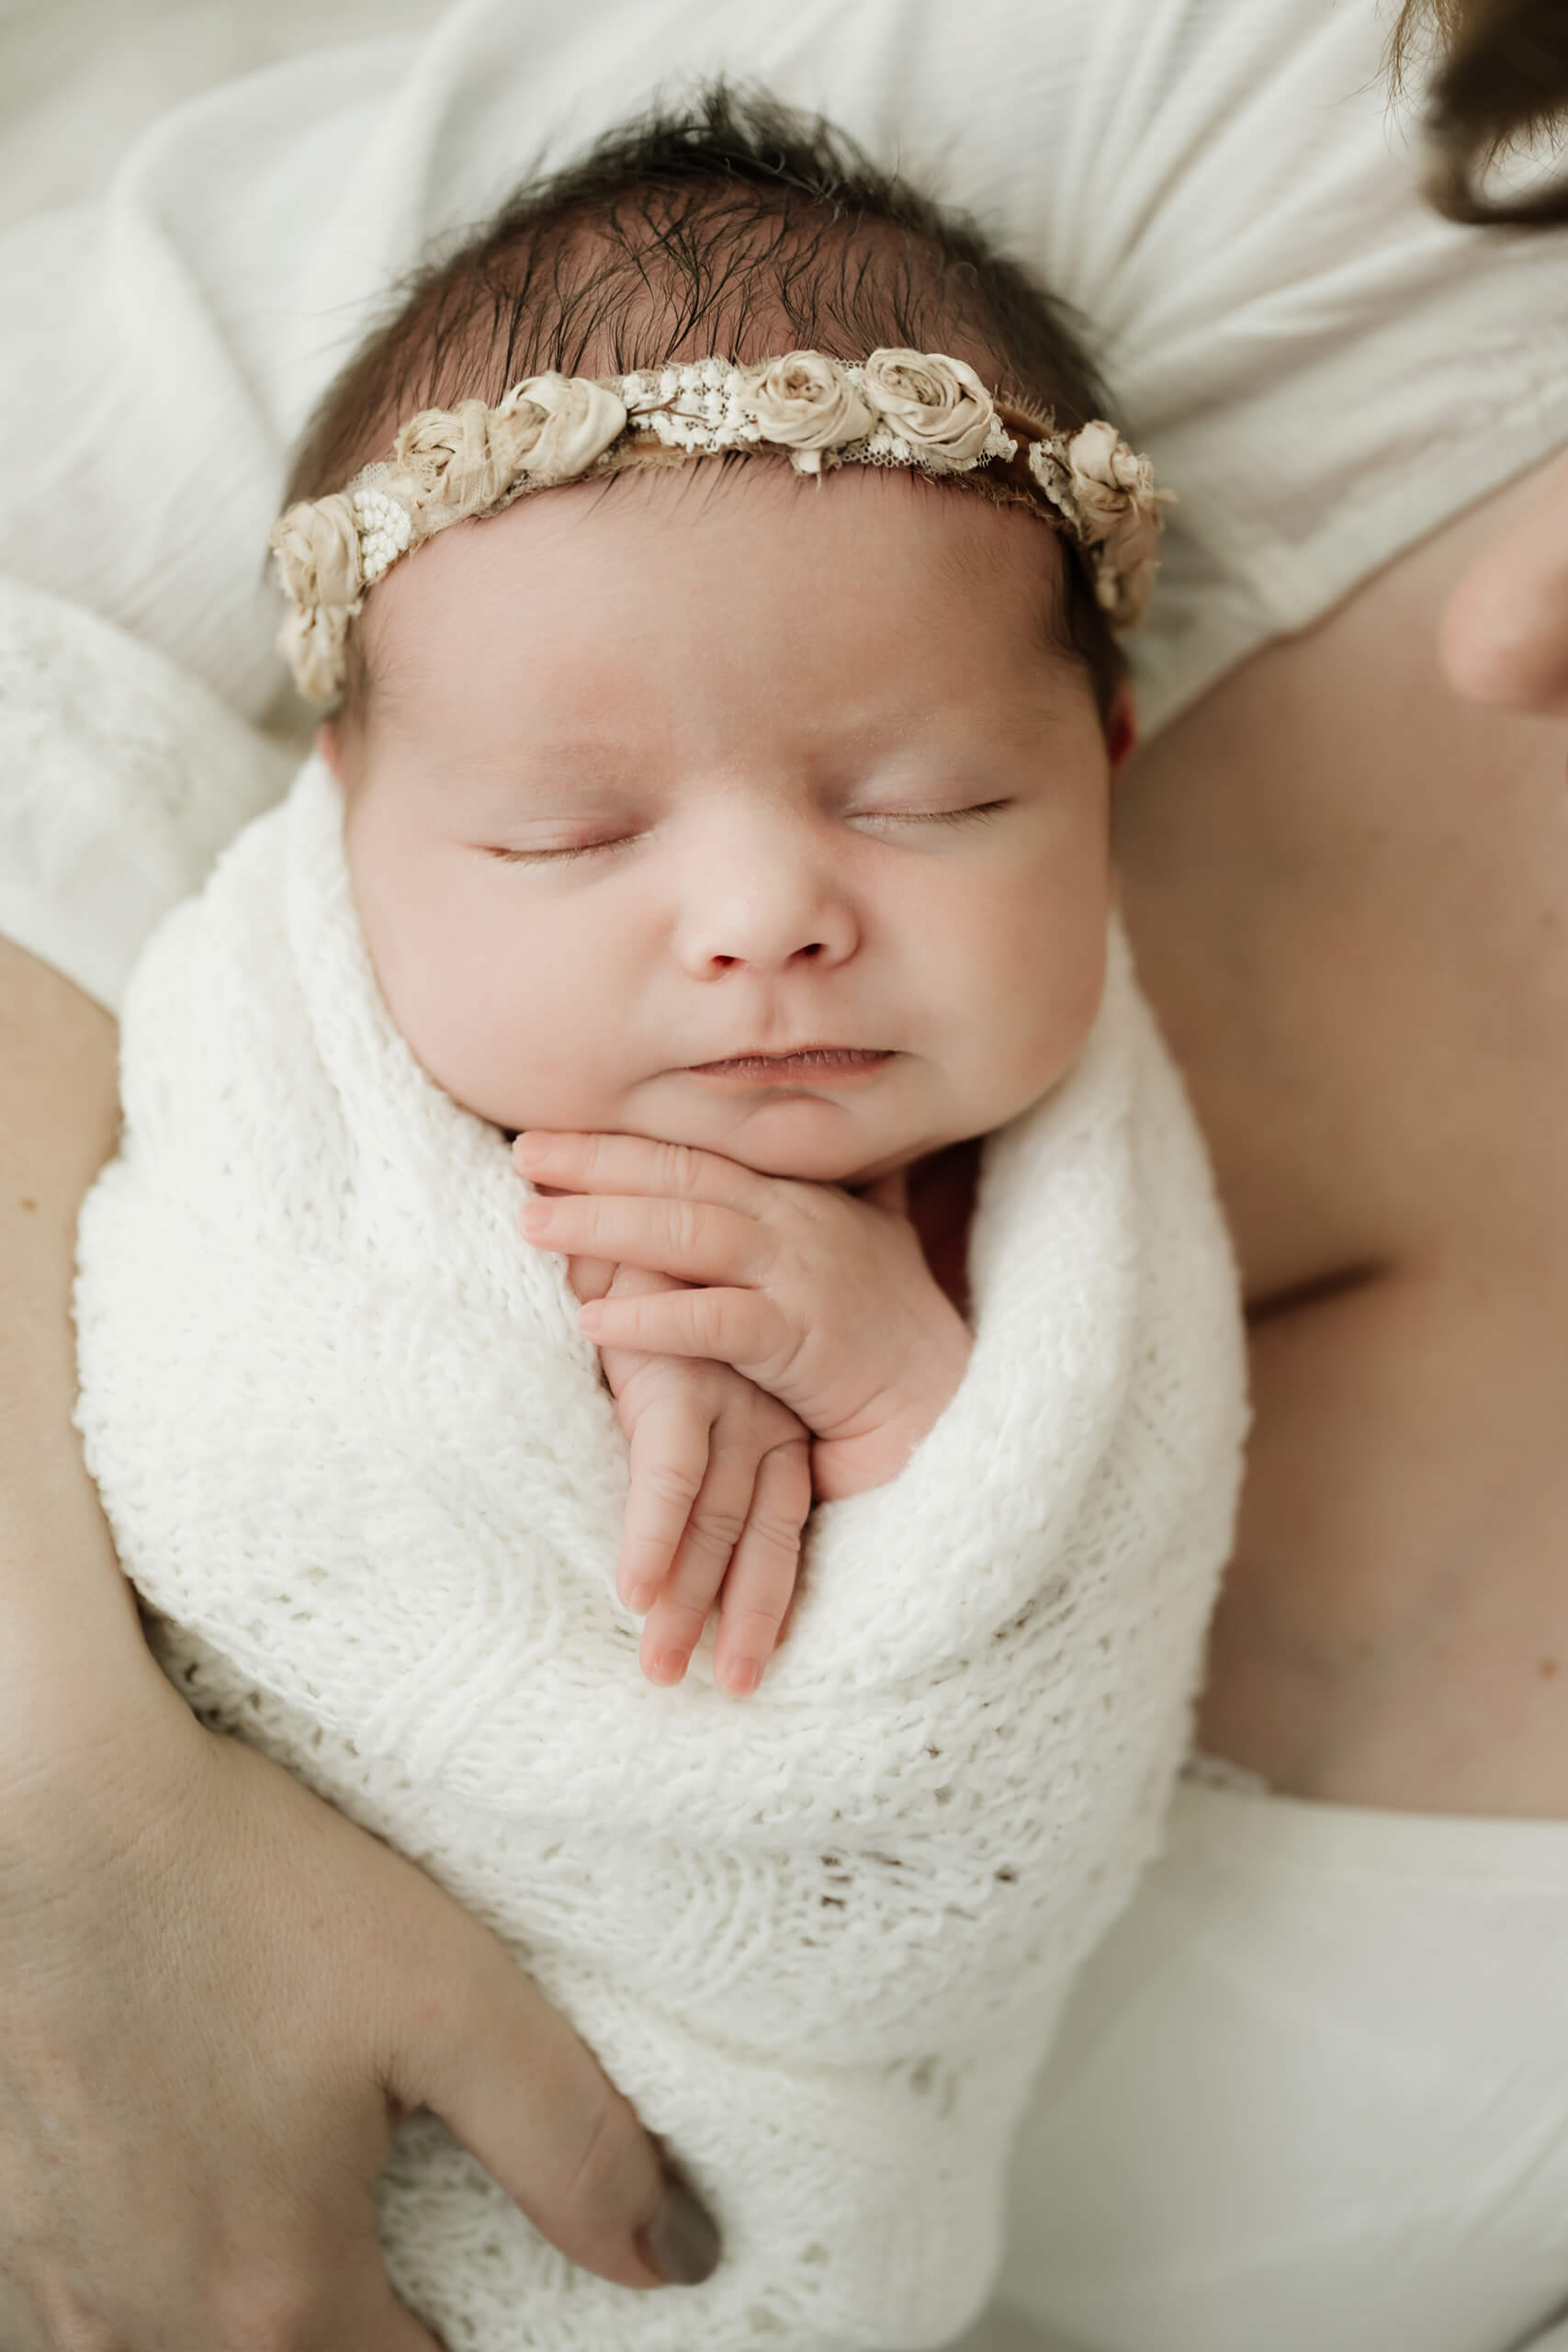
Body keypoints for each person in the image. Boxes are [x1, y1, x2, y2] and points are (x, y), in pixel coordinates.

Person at [3, 4, 1567, 2347]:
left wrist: (921, 1427)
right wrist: (63, 1807)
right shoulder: (1321, 115)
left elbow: (977, 1721)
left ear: (1093, 744)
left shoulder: (1043, 1240)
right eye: (560, 831)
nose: (755, 920)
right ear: (354, 823)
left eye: (930, 799)